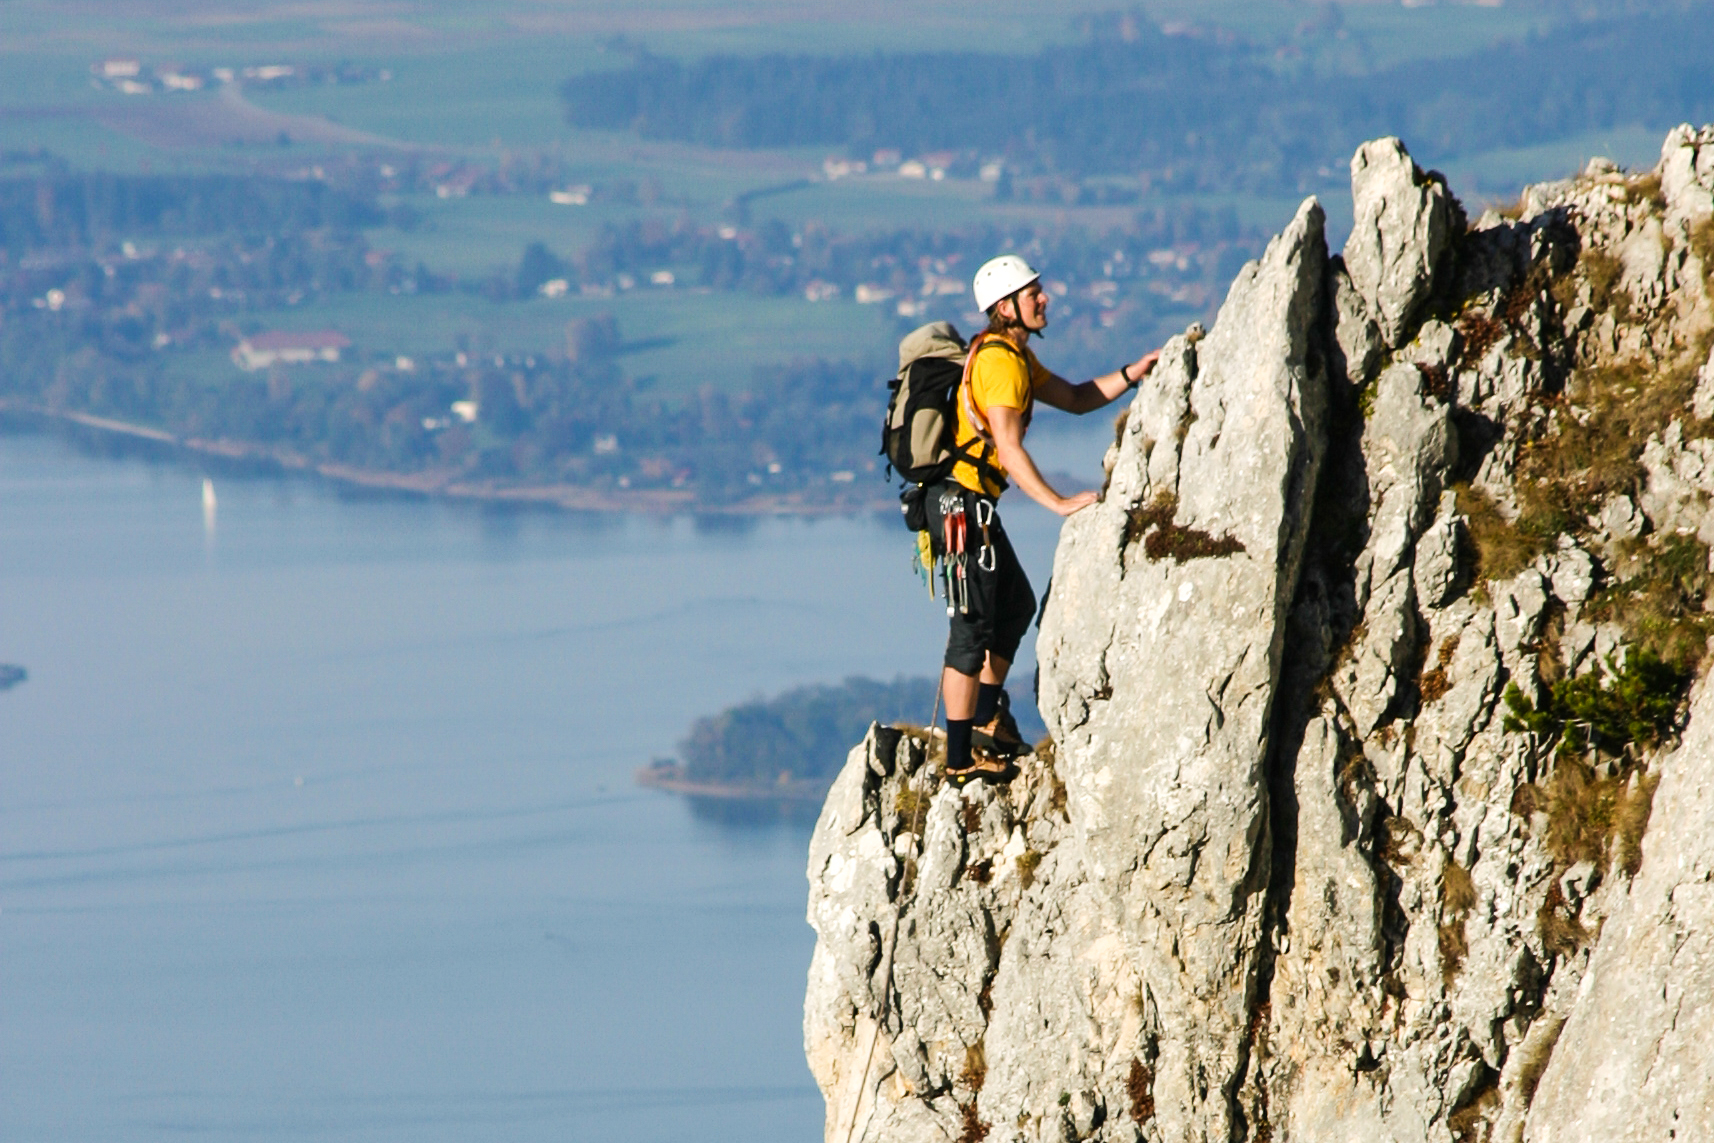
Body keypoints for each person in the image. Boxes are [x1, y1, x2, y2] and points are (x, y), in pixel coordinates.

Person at [930, 254, 1161, 782]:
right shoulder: (998, 363)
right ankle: (960, 759)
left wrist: (1132, 374)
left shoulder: (1016, 357)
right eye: (1033, 293)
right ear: (1006, 307)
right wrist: (1057, 503)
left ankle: (984, 720)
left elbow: (1077, 399)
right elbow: (1008, 448)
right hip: (957, 504)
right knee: (971, 629)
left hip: (973, 503)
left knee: (1014, 605)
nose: (1044, 298)